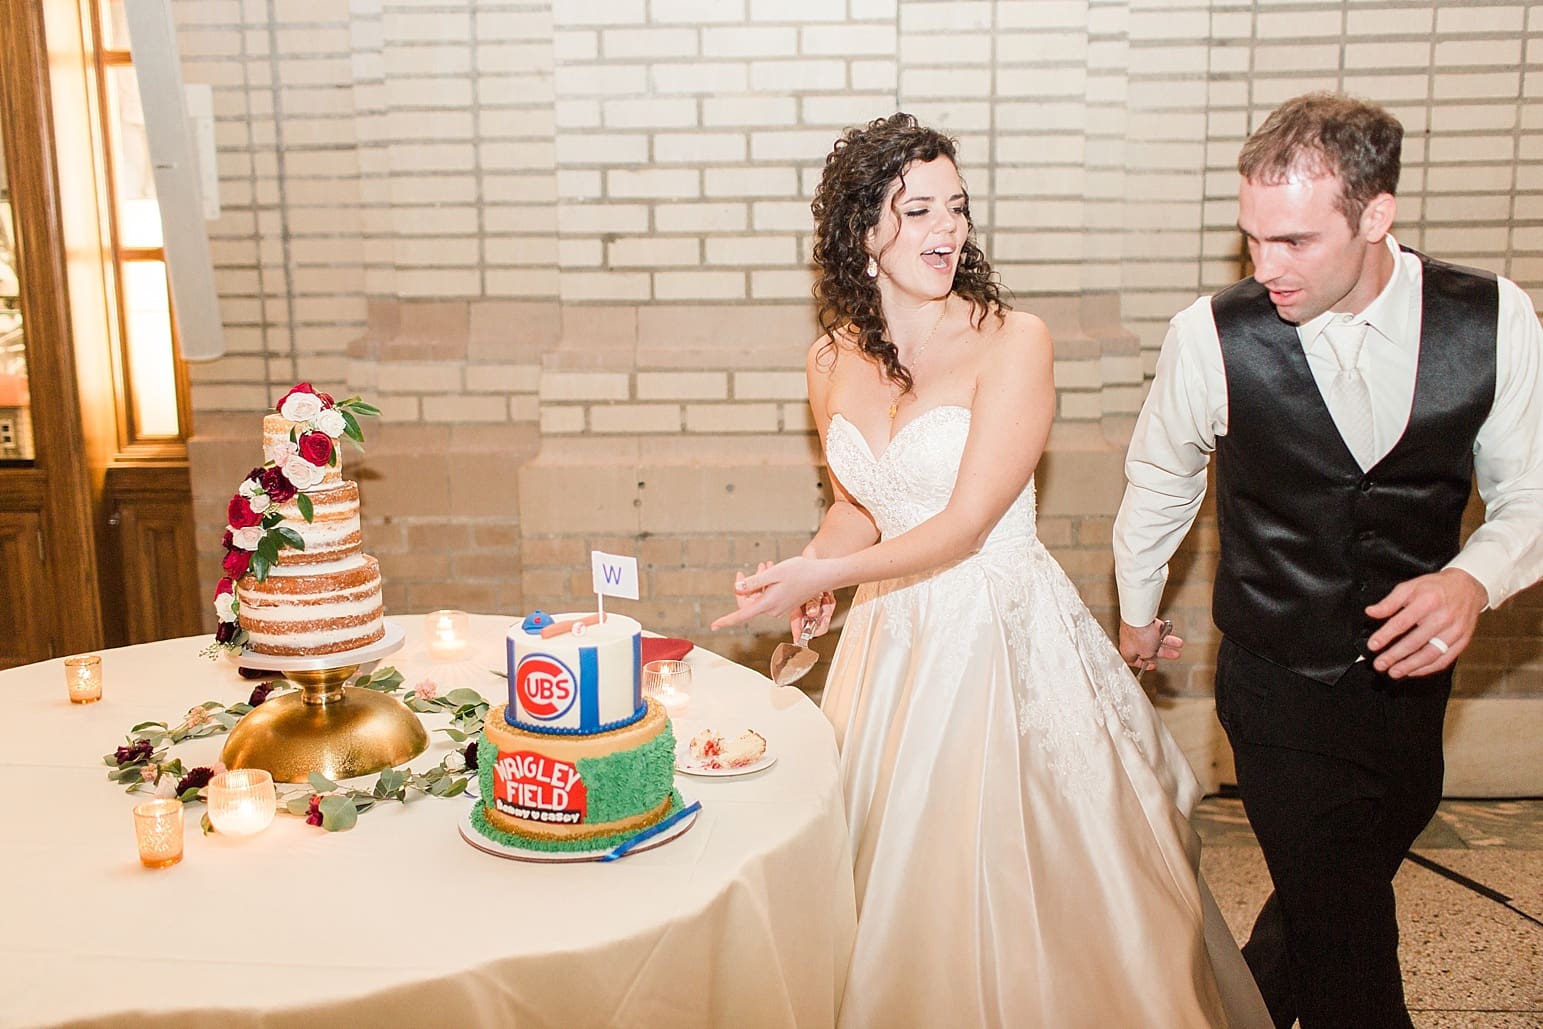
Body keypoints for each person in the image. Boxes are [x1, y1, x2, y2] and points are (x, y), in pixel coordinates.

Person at [713, 113, 1270, 1028]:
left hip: (996, 634)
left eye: (957, 208)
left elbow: (965, 524)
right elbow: (860, 504)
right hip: (892, 645)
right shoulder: (828, 359)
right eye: (918, 209)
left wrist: (826, 581)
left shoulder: (1015, 341)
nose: (947, 230)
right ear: (860, 231)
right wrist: (810, 570)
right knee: (889, 868)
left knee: (1021, 874)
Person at [1113, 92, 1543, 1029]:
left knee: (1326, 896)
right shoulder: (1208, 336)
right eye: (1250, 239)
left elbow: (1532, 496)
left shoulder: (1494, 319)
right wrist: (1138, 612)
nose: (1263, 267)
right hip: (1276, 684)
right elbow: (1160, 479)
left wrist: (1473, 578)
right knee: (1350, 932)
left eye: (1295, 242)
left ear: (1375, 215)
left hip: (1410, 691)